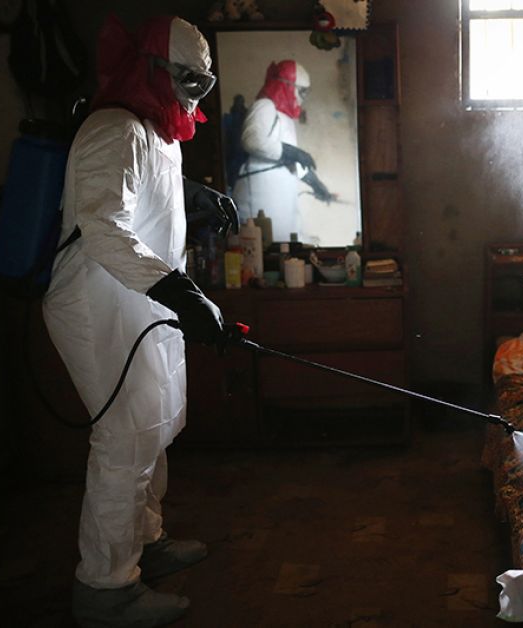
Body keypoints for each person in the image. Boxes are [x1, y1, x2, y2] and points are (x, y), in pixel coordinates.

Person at [42, 15, 235, 627]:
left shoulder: (156, 133)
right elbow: (103, 224)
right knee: (125, 439)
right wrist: (180, 292)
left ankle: (145, 543)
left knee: (155, 426)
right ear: (150, 68)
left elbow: (146, 183)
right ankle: (105, 588)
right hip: (97, 302)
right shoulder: (113, 127)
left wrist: (191, 192)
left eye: (201, 87)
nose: (190, 98)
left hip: (137, 299)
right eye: (185, 82)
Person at [231, 59, 335, 241]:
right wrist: (294, 153)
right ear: (287, 86)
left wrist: (315, 183)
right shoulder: (264, 106)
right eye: (301, 91)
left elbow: (289, 157)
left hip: (280, 196)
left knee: (285, 241)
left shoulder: (285, 119)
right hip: (260, 193)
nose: (302, 97)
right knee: (260, 245)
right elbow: (253, 140)